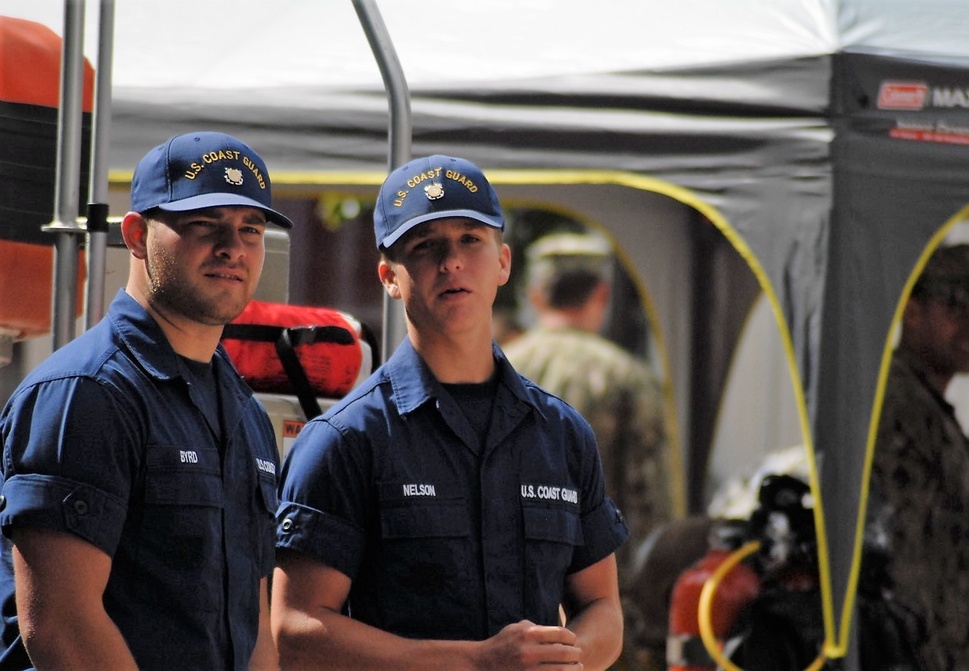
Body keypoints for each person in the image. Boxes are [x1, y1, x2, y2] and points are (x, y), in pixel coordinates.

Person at [271, 154, 628, 671]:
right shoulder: (346, 439)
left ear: (503, 261)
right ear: (388, 277)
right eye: (426, 246)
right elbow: (296, 630)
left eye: (470, 240)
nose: (452, 261)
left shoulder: (562, 434)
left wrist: (561, 658)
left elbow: (603, 607)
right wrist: (476, 662)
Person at [0, 131, 295, 671]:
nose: (232, 247)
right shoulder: (87, 393)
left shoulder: (245, 410)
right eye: (205, 224)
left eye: (250, 229)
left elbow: (255, 628)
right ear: (136, 235)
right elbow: (62, 625)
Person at [502, 233, 671, 669]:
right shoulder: (629, 378)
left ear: (537, 295)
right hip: (600, 621)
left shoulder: (494, 368)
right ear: (602, 293)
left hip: (504, 618)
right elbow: (651, 510)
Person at [860, 243, 969, 671]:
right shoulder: (895, 405)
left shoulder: (929, 410)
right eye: (955, 309)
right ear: (911, 310)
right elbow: (906, 554)